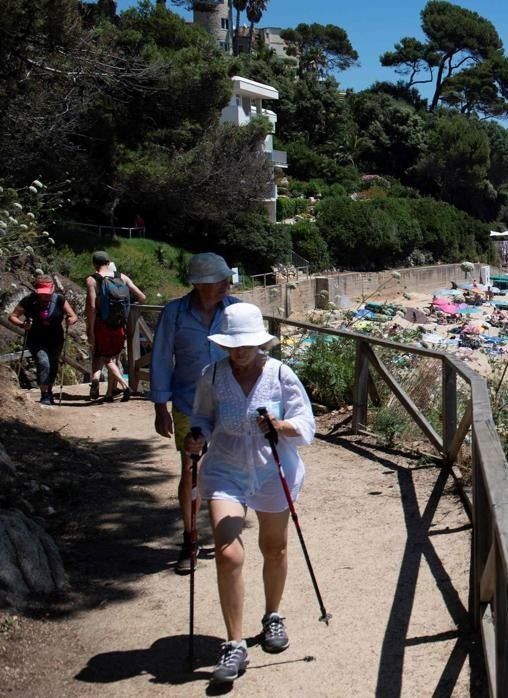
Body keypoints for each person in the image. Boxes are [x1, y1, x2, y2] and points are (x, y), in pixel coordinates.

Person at [183, 303, 316, 685]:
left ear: (260, 343)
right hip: (225, 469)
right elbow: (203, 419)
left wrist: (279, 424)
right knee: (228, 553)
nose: (239, 351)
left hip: (272, 470)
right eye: (232, 344)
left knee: (274, 548)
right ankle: (234, 642)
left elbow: (307, 424)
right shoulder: (212, 376)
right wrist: (196, 438)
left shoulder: (279, 373)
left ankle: (273, 616)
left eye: (246, 344)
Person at [150, 253, 240, 574]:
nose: (227, 286)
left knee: (230, 471)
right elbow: (161, 359)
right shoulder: (174, 313)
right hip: (189, 405)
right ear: (201, 284)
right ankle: (189, 539)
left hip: (230, 405)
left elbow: (254, 352)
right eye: (221, 280)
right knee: (192, 471)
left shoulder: (235, 309)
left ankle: (227, 534)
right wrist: (160, 407)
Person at [85, 251, 146, 401]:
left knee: (104, 358)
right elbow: (142, 297)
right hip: (119, 325)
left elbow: (92, 307)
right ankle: (109, 393)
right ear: (108, 261)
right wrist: (129, 309)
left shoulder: (92, 280)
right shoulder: (121, 277)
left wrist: (90, 329)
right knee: (113, 357)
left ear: (94, 264)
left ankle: (117, 384)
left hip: (102, 324)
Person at [8, 275, 77, 405]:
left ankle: (49, 391)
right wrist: (23, 325)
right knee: (43, 362)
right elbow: (12, 316)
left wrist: (70, 320)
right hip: (36, 339)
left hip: (56, 339)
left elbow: (73, 316)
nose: (45, 296)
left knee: (53, 363)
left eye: (47, 293)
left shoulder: (60, 300)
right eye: (42, 294)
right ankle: (44, 394)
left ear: (53, 290)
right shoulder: (29, 300)